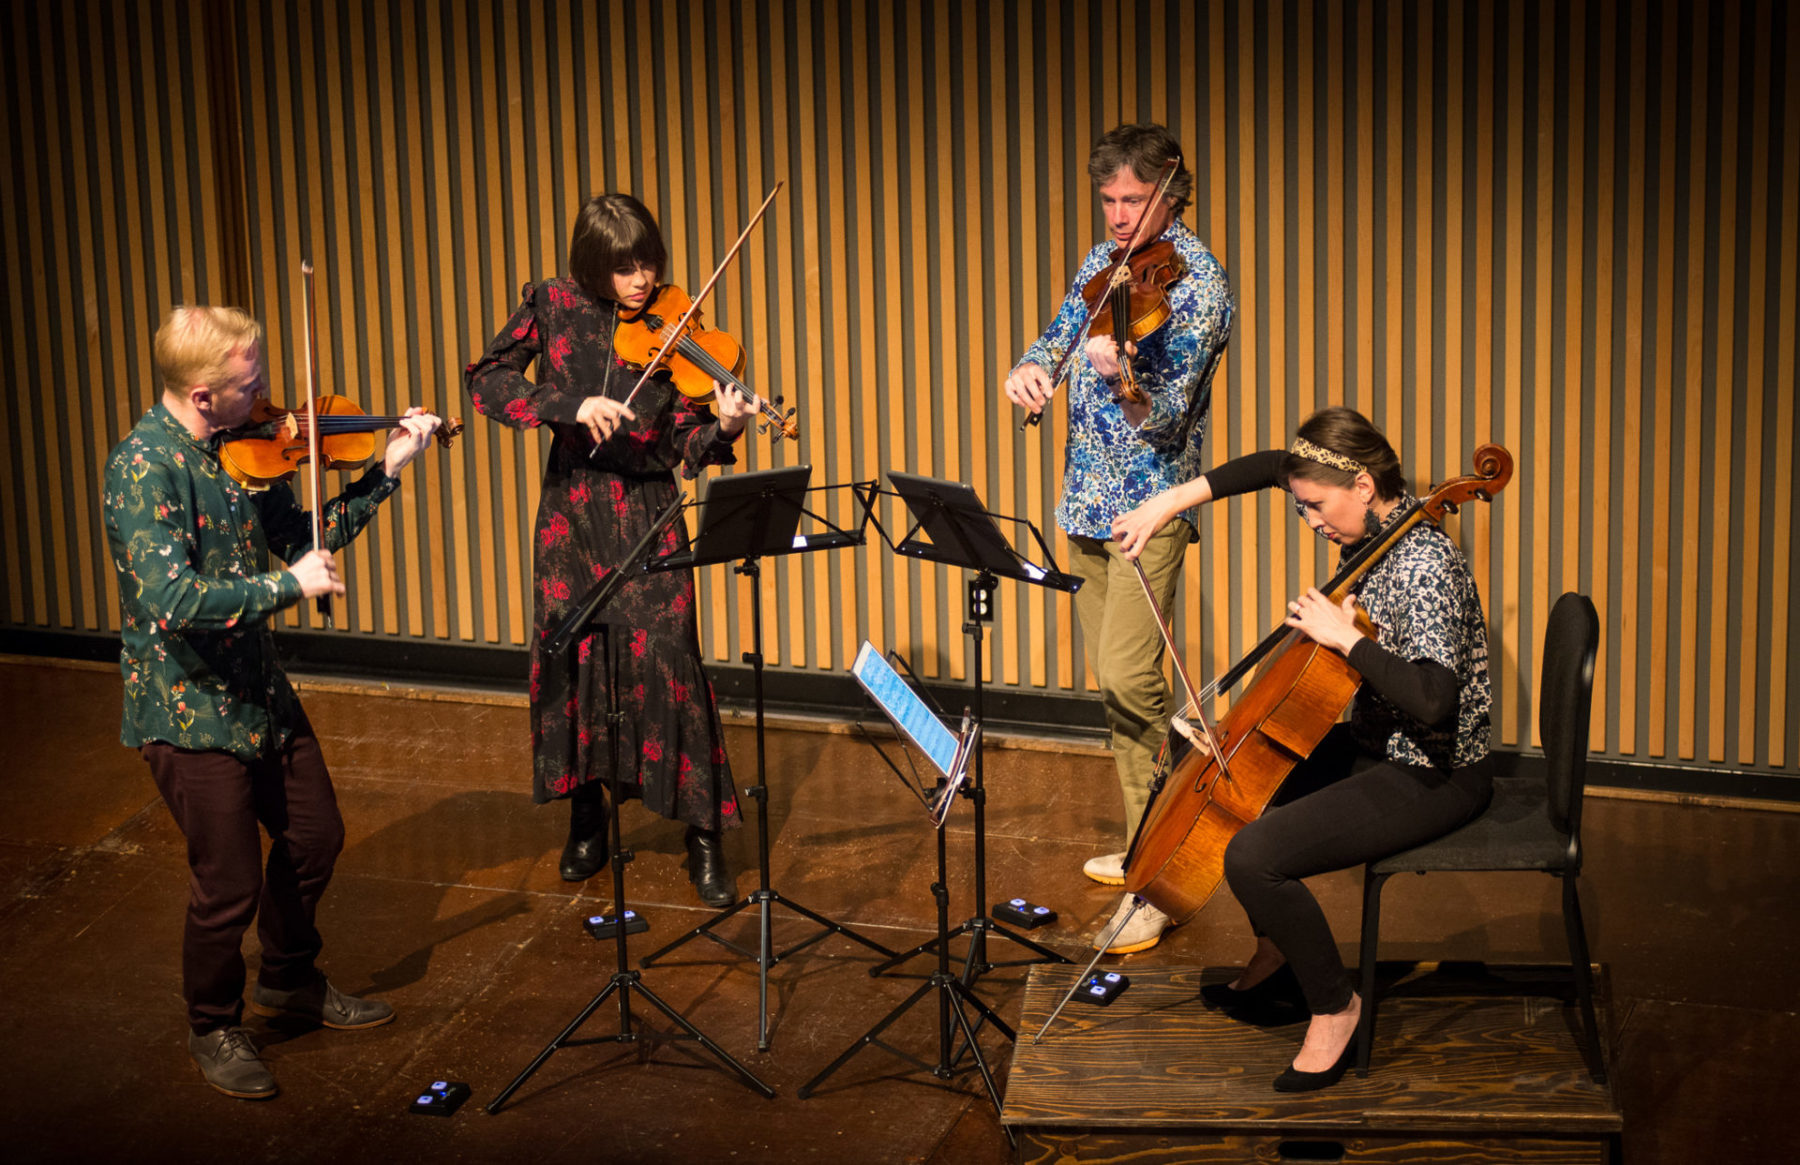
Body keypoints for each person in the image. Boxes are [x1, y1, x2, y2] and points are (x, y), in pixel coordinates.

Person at [102, 306, 443, 1100]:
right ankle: (212, 1022)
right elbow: (169, 597)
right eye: (249, 386)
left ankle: (288, 976)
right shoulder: (145, 467)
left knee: (317, 835)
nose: (271, 403)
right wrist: (286, 587)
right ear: (200, 393)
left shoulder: (238, 452)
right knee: (228, 884)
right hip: (186, 705)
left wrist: (385, 470)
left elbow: (302, 539)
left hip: (255, 688)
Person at [1112, 405, 1495, 1091]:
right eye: (1302, 509)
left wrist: (1346, 638)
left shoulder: (1426, 562)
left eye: (1317, 507)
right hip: (1381, 740)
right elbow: (1272, 466)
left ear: (1364, 488)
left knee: (1254, 856)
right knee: (1240, 790)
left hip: (1433, 767)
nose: (1313, 521)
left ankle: (1335, 1006)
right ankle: (1277, 956)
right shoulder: (1377, 533)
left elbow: (1436, 698)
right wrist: (1170, 500)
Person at [464, 193, 755, 910]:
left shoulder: (676, 327)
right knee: (576, 656)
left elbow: (688, 442)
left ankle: (703, 834)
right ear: (593, 265)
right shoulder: (553, 302)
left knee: (672, 663)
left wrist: (724, 428)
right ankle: (586, 813)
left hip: (650, 511)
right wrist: (567, 405)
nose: (640, 281)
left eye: (648, 262)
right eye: (623, 268)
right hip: (573, 515)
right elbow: (487, 380)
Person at [1003, 123, 1233, 954]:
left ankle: (1166, 872)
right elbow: (1057, 335)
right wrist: (1029, 369)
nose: (1118, 214)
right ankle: (1148, 844)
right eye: (1108, 198)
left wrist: (1122, 377)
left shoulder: (1199, 284)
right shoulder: (1101, 269)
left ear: (1172, 194)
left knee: (1131, 677)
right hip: (1085, 505)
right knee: (1115, 689)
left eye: (1133, 199)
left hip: (1151, 508)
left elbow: (1171, 414)